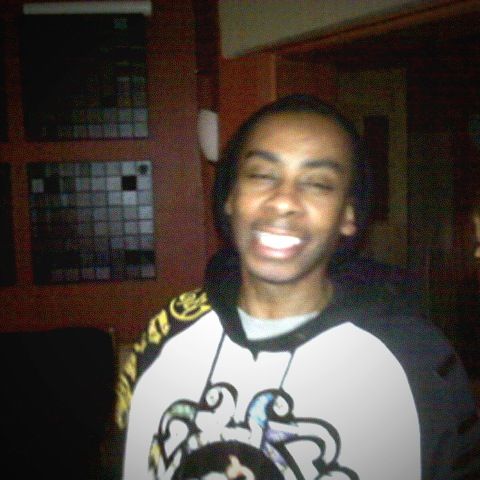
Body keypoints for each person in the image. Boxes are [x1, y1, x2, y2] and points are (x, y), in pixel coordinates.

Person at [115, 95, 480, 479]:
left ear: (349, 215)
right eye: (262, 175)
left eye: (318, 183)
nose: (284, 201)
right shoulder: (167, 333)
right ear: (230, 198)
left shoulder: (416, 363)